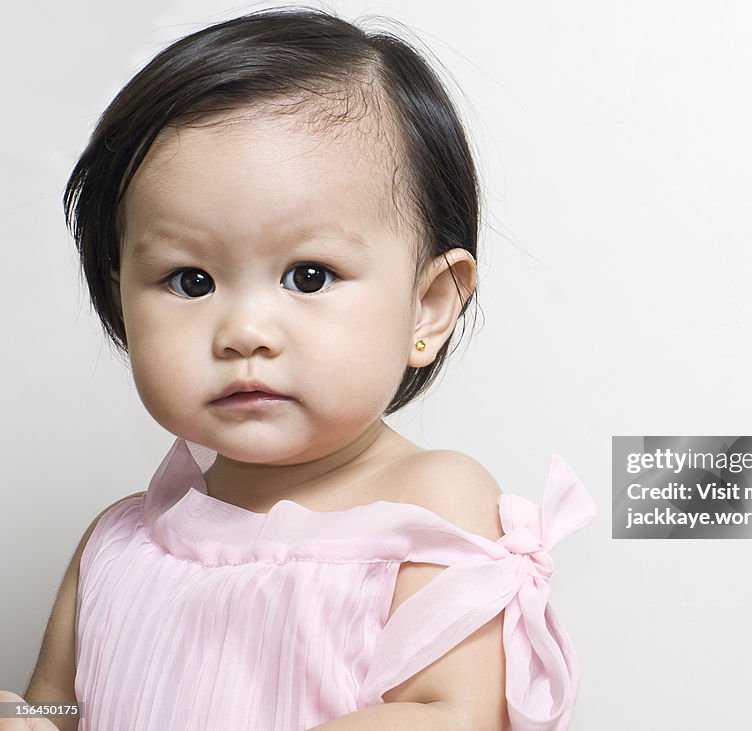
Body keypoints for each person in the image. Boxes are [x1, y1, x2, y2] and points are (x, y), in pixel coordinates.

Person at [1, 8, 594, 731]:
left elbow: (453, 713)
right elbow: (65, 702)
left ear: (428, 307)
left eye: (308, 275)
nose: (244, 332)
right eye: (190, 281)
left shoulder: (431, 504)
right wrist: (31, 717)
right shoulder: (116, 543)